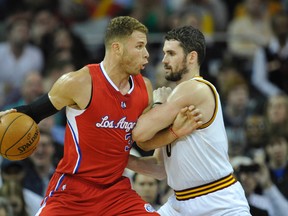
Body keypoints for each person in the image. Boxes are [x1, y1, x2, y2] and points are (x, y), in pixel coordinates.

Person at [0, 16, 200, 216]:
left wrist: (172, 128)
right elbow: (33, 112)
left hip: (115, 192)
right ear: (117, 48)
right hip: (72, 190)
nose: (147, 54)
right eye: (139, 46)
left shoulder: (144, 87)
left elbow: (146, 143)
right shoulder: (79, 82)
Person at [127, 26, 251, 215]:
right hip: (181, 202)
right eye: (163, 53)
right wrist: (121, 160)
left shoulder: (195, 89)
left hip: (219, 201)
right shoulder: (175, 101)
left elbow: (140, 133)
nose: (163, 60)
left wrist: (158, 102)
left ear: (191, 57)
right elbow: (160, 168)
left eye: (171, 53)